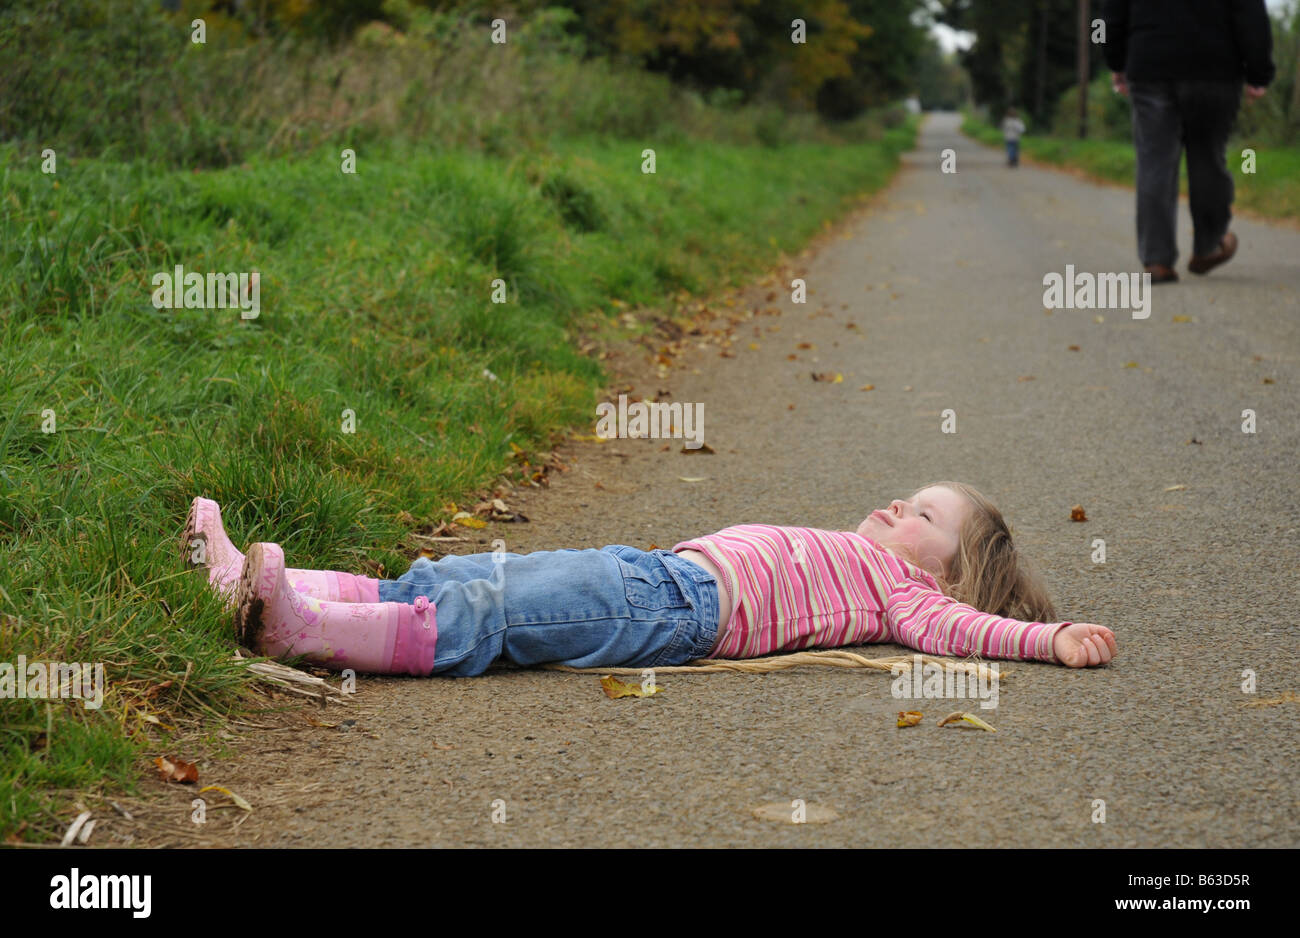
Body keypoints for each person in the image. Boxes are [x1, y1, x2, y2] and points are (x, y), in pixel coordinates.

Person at [185, 484, 1118, 676]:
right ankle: (256, 583)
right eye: (906, 497)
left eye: (924, 518)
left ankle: (297, 629)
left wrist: (1047, 637)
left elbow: (968, 636)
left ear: (949, 575)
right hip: (656, 574)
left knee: (490, 613)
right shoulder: (873, 554)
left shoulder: (908, 598)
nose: (894, 510)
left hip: (672, 610)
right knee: (465, 571)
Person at [1103, 0, 1275, 282]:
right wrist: (1259, 71)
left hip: (1150, 64)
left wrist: (1115, 60)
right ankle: (1208, 246)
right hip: (1215, 66)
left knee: (1154, 162)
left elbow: (1108, 16)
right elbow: (1252, 13)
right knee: (1208, 156)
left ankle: (1157, 260)